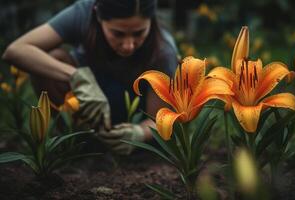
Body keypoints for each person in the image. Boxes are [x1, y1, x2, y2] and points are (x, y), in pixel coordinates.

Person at [2, 0, 178, 155]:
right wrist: (76, 77)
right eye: (118, 34)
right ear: (98, 16)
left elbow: (160, 118)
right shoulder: (83, 13)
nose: (128, 46)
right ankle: (76, 139)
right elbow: (15, 51)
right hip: (85, 104)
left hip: (132, 116)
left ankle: (122, 146)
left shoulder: (163, 50)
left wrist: (138, 133)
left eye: (139, 33)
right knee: (52, 57)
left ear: (151, 20)